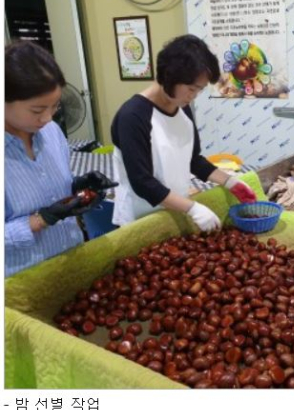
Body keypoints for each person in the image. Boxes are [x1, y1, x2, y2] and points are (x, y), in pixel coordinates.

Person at [111, 34, 256, 230]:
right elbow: (142, 182)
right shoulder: (133, 116)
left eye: (200, 90)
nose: (194, 96)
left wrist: (230, 182)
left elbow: (193, 160)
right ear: (169, 77)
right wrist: (193, 208)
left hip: (175, 210)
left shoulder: (182, 108)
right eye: (191, 89)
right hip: (140, 218)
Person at [5, 41, 117, 277]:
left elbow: (49, 186)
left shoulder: (51, 132)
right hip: (22, 278)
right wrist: (41, 220)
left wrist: (76, 186)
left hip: (71, 259)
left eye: (55, 106)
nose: (47, 118)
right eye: (37, 110)